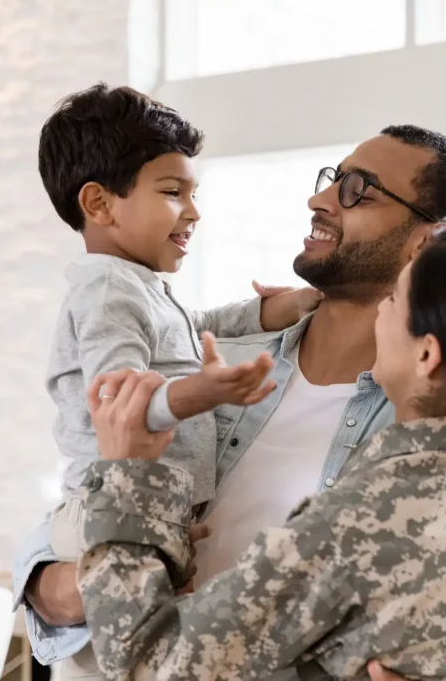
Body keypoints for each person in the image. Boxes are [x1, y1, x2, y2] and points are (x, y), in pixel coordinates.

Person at [14, 125, 446, 681]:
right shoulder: (205, 361)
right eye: (333, 177)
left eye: (358, 190)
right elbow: (77, 501)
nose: (321, 200)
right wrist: (61, 587)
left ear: (428, 243)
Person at [78, 221, 446, 680]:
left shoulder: (361, 523)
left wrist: (126, 473)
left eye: (394, 298)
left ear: (427, 354)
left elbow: (147, 658)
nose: (381, 307)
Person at [35, 83, 319, 677]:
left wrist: (284, 307)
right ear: (100, 203)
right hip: (102, 512)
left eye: (194, 194)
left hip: (139, 514)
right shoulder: (107, 291)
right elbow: (122, 400)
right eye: (172, 192)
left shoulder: (139, 289)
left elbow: (197, 327)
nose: (193, 212)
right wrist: (204, 392)